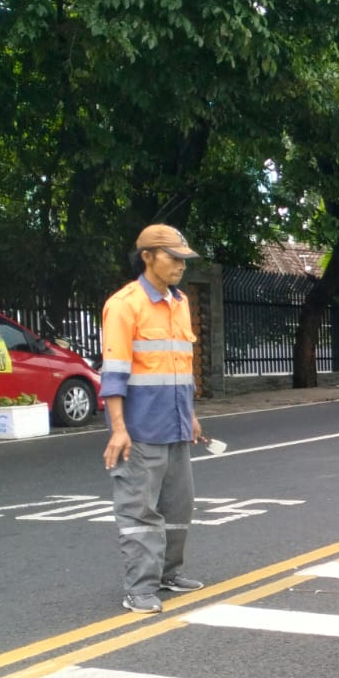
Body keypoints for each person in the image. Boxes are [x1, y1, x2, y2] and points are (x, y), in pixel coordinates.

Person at [100, 224, 206, 613]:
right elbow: (114, 373)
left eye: (184, 259)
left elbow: (181, 366)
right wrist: (119, 430)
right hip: (140, 430)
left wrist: (191, 415)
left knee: (179, 506)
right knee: (140, 512)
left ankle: (168, 573)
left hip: (175, 425)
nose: (181, 265)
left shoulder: (179, 302)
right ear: (147, 257)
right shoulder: (124, 305)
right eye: (173, 257)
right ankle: (139, 588)